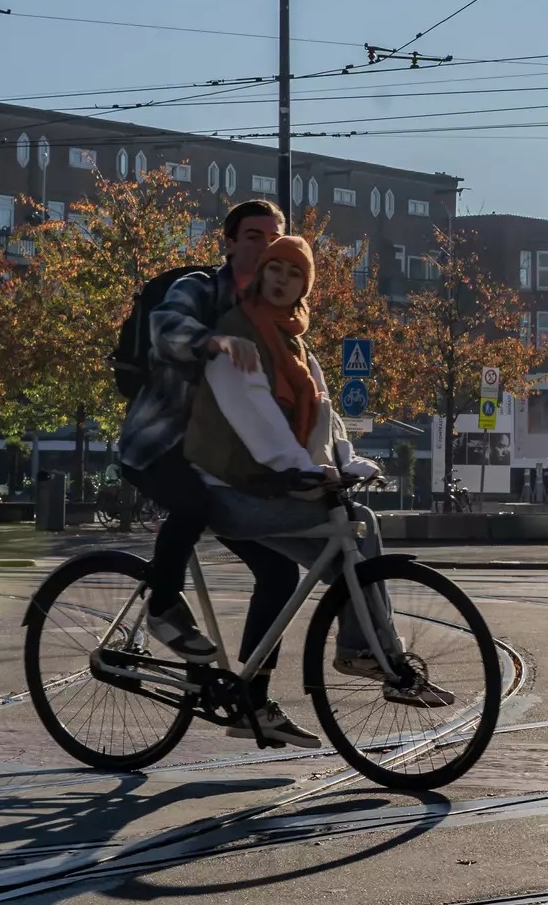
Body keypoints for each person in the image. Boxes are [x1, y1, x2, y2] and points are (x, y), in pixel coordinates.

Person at [184, 234, 452, 748]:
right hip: (229, 489)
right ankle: (367, 653)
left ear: (306, 285)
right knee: (351, 537)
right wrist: (300, 472)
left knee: (349, 540)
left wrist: (350, 462)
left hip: (272, 487)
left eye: (295, 273)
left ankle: (363, 656)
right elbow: (255, 419)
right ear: (261, 274)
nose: (283, 280)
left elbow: (326, 421)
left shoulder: (297, 344)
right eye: (275, 269)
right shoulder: (240, 336)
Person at [116, 199, 285, 661]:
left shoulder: (270, 310)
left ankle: (254, 695)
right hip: (160, 444)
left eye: (274, 239)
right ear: (229, 243)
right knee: (192, 504)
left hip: (221, 455)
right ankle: (163, 607)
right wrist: (212, 340)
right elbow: (165, 326)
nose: (265, 247)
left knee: (279, 569)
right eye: (254, 236)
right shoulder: (201, 288)